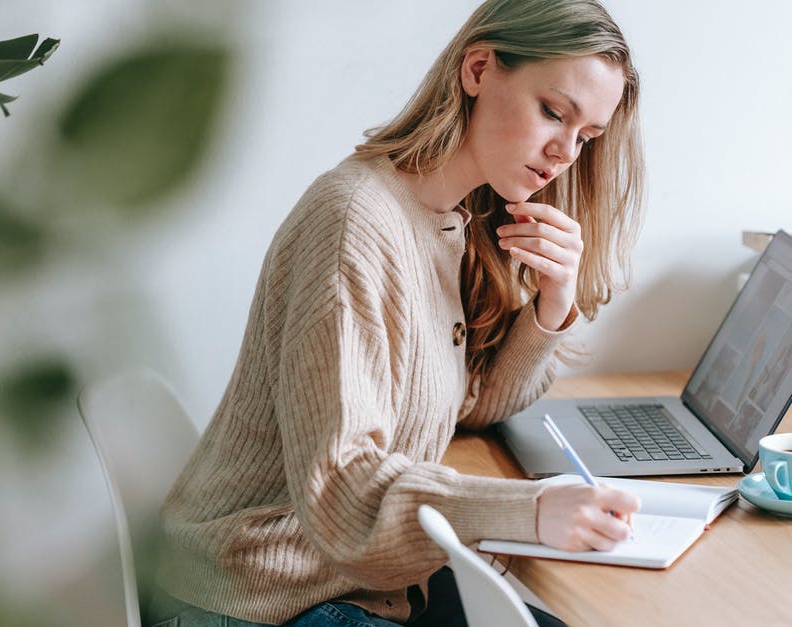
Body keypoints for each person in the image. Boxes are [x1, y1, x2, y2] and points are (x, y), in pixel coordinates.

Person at [150, 1, 645, 625]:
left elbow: (472, 408)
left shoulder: (450, 221)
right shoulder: (354, 222)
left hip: (349, 580)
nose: (564, 152)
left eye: (586, 136)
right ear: (478, 70)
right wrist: (531, 510)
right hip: (263, 595)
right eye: (553, 112)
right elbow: (340, 490)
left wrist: (552, 305)